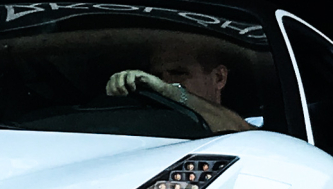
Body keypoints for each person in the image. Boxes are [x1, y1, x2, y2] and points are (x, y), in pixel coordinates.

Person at [105, 37, 252, 135]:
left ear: (219, 78)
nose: (164, 81)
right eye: (157, 76)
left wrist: (170, 92)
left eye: (178, 73)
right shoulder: (140, 126)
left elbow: (244, 133)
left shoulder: (250, 126)